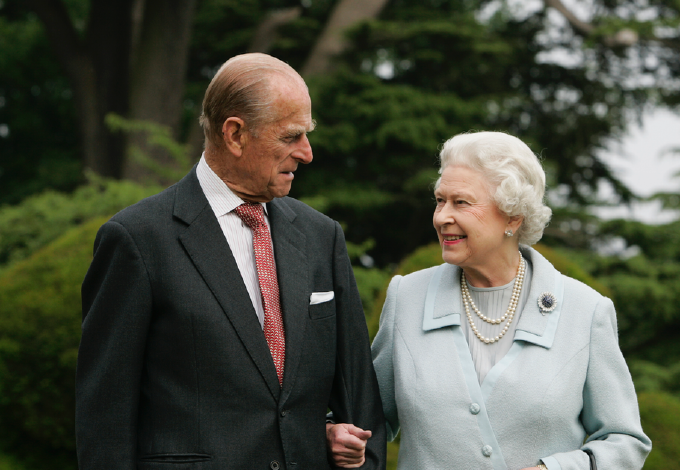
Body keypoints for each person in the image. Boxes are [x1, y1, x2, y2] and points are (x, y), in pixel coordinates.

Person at [76, 53, 386, 470]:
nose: (307, 153)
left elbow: (360, 404)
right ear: (235, 134)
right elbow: (104, 422)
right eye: (291, 136)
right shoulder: (136, 240)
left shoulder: (321, 237)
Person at [327, 131, 651, 469]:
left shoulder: (586, 311)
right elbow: (365, 417)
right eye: (440, 200)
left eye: (461, 202)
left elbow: (625, 441)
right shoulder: (407, 297)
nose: (441, 217)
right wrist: (336, 432)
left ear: (513, 216)